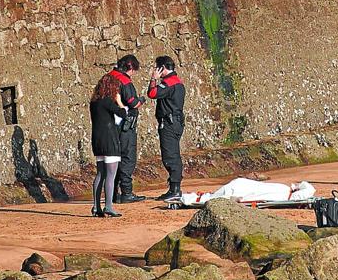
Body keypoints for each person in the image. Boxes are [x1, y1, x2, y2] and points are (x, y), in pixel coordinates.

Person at [108, 55, 147, 204]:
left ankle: (112, 193)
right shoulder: (124, 81)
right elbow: (133, 103)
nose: (134, 74)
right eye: (134, 70)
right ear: (130, 67)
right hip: (125, 126)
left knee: (113, 158)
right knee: (127, 158)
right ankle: (127, 192)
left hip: (109, 124)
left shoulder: (107, 78)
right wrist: (142, 99)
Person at [147, 55, 186, 201]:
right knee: (173, 153)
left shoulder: (169, 83)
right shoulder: (178, 83)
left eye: (157, 67)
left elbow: (152, 93)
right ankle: (174, 187)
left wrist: (153, 79)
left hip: (169, 123)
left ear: (162, 68)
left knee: (170, 155)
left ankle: (175, 189)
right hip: (175, 122)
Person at [89, 74, 128, 217]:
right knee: (111, 175)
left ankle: (96, 206)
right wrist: (119, 102)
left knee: (100, 174)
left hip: (97, 141)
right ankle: (109, 206)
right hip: (109, 140)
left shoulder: (94, 101)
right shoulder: (107, 101)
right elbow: (122, 113)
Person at [179, 178, 316, 205]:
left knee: (216, 196)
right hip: (242, 187)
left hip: (243, 186)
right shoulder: (285, 194)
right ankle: (190, 199)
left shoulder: (285, 191)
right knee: (214, 198)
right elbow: (309, 189)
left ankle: (192, 198)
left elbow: (308, 188)